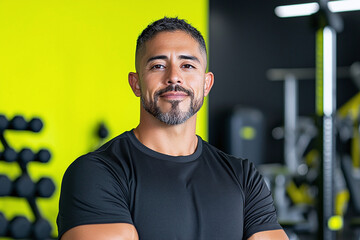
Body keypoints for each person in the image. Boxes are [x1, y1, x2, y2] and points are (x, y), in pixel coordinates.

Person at [57, 17, 289, 240]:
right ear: (136, 83)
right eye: (158, 65)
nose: (174, 77)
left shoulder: (243, 177)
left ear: (206, 83)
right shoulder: (97, 173)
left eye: (187, 65)